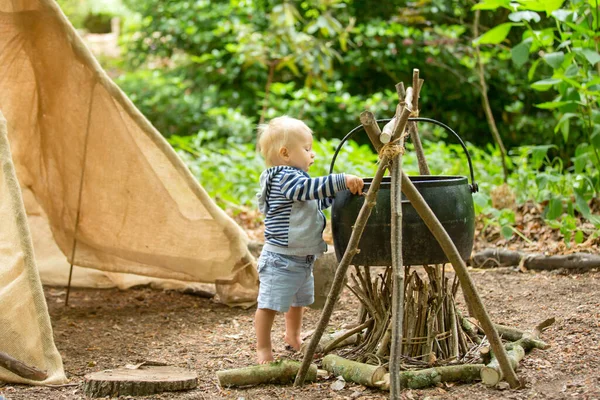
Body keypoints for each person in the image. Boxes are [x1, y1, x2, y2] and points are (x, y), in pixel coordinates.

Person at [254, 116, 364, 364]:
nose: (312, 154)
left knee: (297, 302)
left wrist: (339, 194)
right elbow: (308, 190)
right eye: (306, 149)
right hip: (280, 258)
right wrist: (340, 180)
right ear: (285, 154)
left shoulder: (297, 180)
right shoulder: (283, 177)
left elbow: (314, 201)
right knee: (269, 304)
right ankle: (263, 348)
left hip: (302, 257)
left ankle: (292, 337)